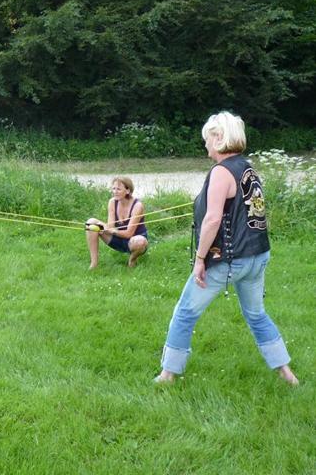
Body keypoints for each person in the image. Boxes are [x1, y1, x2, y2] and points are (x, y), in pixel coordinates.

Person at [155, 112, 298, 385]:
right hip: (257, 256)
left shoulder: (221, 172)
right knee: (256, 315)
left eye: (207, 138)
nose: (205, 144)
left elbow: (213, 219)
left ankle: (167, 375)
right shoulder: (248, 168)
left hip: (229, 259)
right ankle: (287, 375)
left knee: (185, 313)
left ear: (219, 137)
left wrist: (200, 259)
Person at [85, 176, 148, 268]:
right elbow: (110, 226)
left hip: (134, 242)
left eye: (118, 189)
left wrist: (112, 230)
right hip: (118, 238)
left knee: (140, 242)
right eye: (113, 188)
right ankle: (94, 264)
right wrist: (104, 228)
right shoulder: (112, 202)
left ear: (128, 191)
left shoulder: (137, 206)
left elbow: (129, 234)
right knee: (91, 223)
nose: (115, 192)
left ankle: (132, 260)